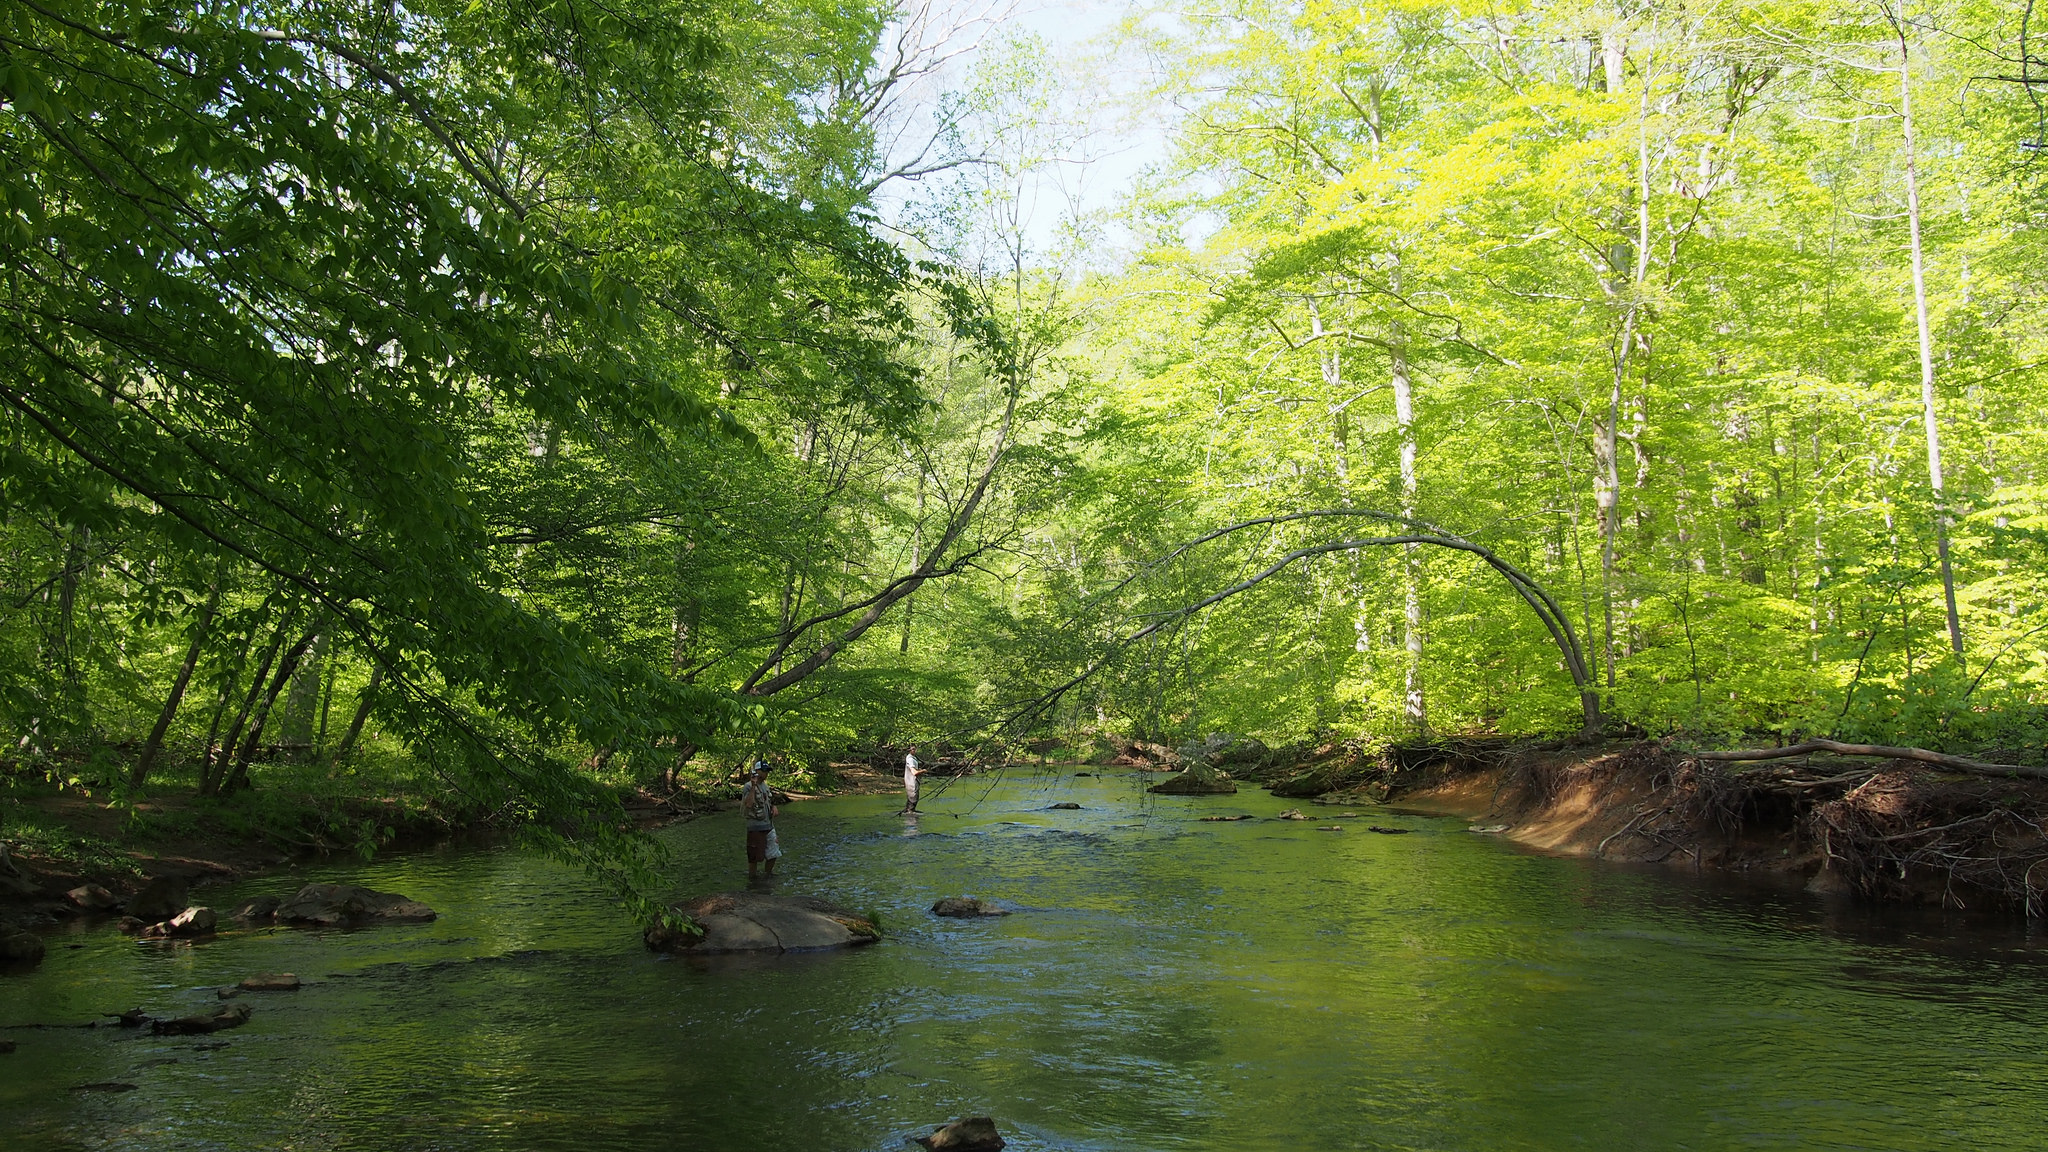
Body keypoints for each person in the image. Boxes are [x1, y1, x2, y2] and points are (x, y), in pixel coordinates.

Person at [741, 761, 780, 877]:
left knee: (774, 853)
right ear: (756, 771)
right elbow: (748, 804)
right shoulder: (748, 786)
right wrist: (753, 786)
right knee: (754, 857)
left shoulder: (765, 786)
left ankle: (768, 875)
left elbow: (768, 801)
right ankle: (753, 879)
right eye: (763, 771)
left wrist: (774, 807)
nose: (766, 773)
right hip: (755, 827)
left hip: (769, 825)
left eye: (767, 771)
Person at [902, 745, 927, 814]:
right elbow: (914, 772)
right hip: (911, 782)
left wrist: (920, 770)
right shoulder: (910, 759)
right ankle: (910, 814)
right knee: (913, 798)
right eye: (913, 749)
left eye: (915, 749)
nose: (915, 750)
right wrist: (923, 771)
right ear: (909, 750)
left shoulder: (912, 758)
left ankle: (909, 812)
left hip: (911, 781)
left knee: (911, 799)